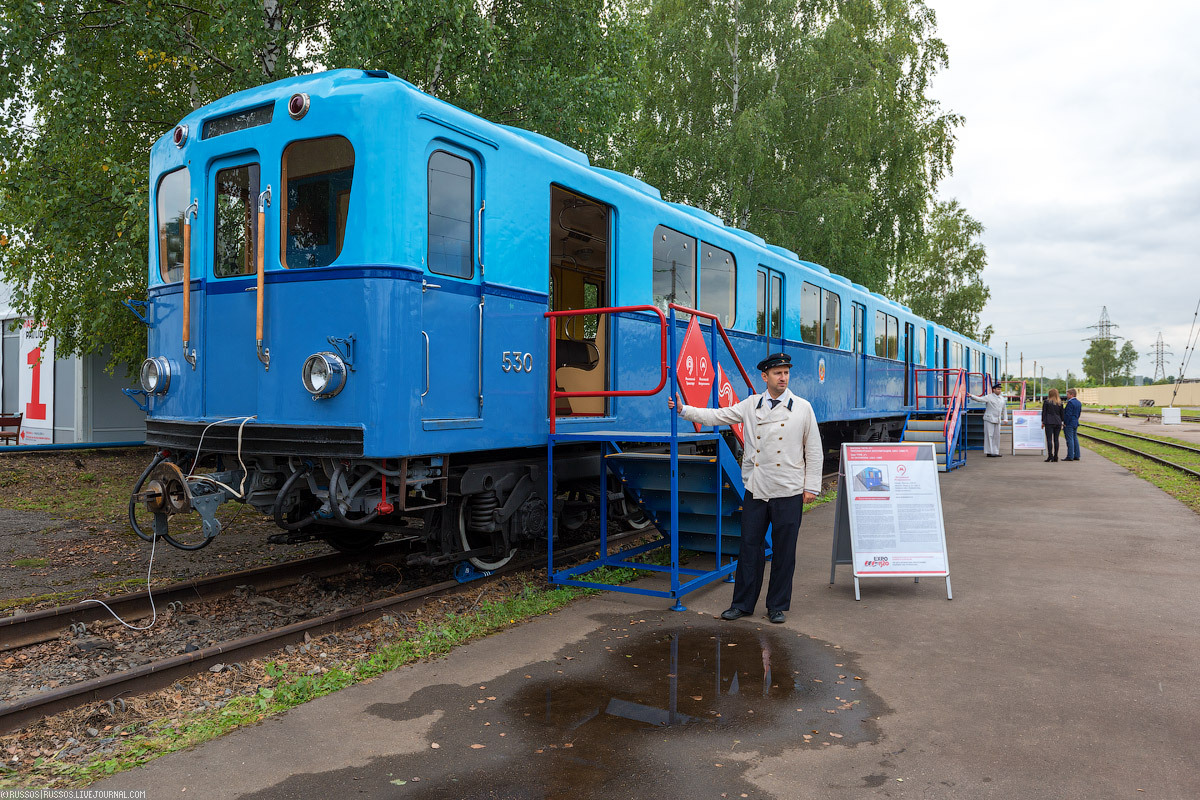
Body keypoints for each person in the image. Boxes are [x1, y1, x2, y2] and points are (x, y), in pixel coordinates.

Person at [667, 353, 822, 624]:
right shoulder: (751, 405)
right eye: (777, 373)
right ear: (765, 377)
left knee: (785, 552)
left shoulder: (802, 408)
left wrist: (811, 487)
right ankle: (742, 604)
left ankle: (777, 606)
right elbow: (717, 416)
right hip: (758, 489)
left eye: (786, 372)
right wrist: (684, 410)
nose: (783, 377)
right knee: (749, 548)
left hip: (789, 489)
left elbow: (814, 450)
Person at [967, 381, 1007, 457]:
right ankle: (989, 451)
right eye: (998, 389)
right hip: (989, 419)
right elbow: (980, 399)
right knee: (989, 435)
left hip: (997, 419)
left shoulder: (1002, 398)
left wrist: (1005, 418)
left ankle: (996, 451)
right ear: (994, 390)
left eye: (1000, 389)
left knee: (997, 436)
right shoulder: (989, 397)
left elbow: (1004, 409)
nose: (999, 390)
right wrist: (971, 396)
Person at [1041, 387, 1064, 462]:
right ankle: (1056, 456)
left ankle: (1050, 455)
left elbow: (1044, 413)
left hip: (1049, 422)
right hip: (1057, 422)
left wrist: (1043, 422)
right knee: (1056, 439)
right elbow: (1062, 414)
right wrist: (1062, 422)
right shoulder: (1060, 403)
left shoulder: (1047, 402)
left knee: (1049, 439)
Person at [1062, 388, 1082, 461]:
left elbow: (1068, 414)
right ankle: (1077, 455)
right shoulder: (1078, 402)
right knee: (1075, 438)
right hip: (1075, 422)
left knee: (1069, 439)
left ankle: (1070, 455)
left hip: (1069, 423)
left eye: (1067, 394)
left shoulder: (1070, 403)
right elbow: (1079, 413)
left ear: (1072, 394)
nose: (1066, 396)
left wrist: (1065, 423)